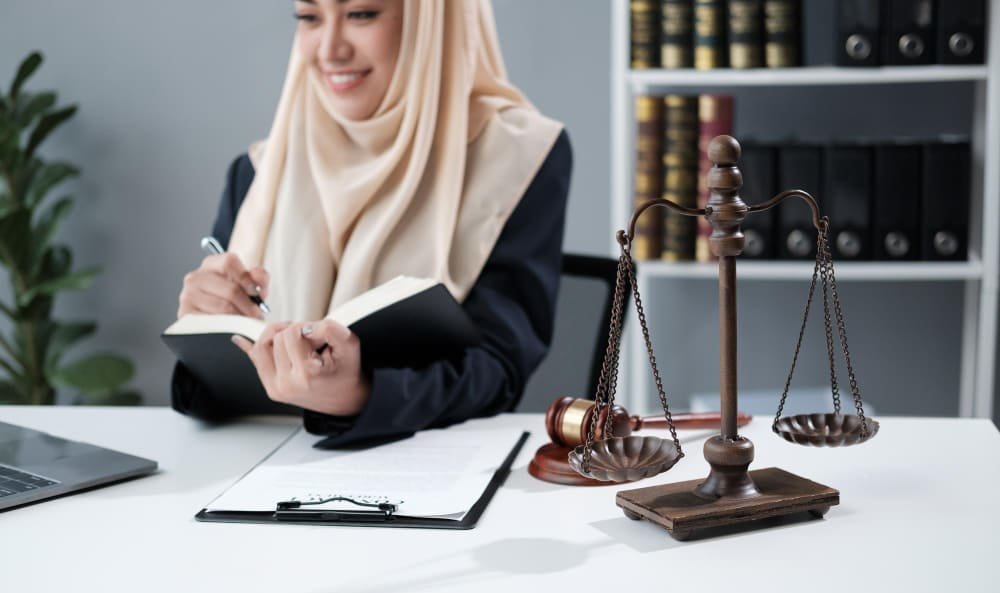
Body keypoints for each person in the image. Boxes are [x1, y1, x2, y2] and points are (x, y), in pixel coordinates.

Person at [171, 0, 572, 446]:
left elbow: (499, 369)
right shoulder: (262, 170)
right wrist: (205, 327)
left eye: (361, 14)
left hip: (418, 472)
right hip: (251, 468)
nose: (329, 50)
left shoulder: (516, 155)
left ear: (432, 22)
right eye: (309, 18)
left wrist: (359, 395)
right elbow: (212, 396)